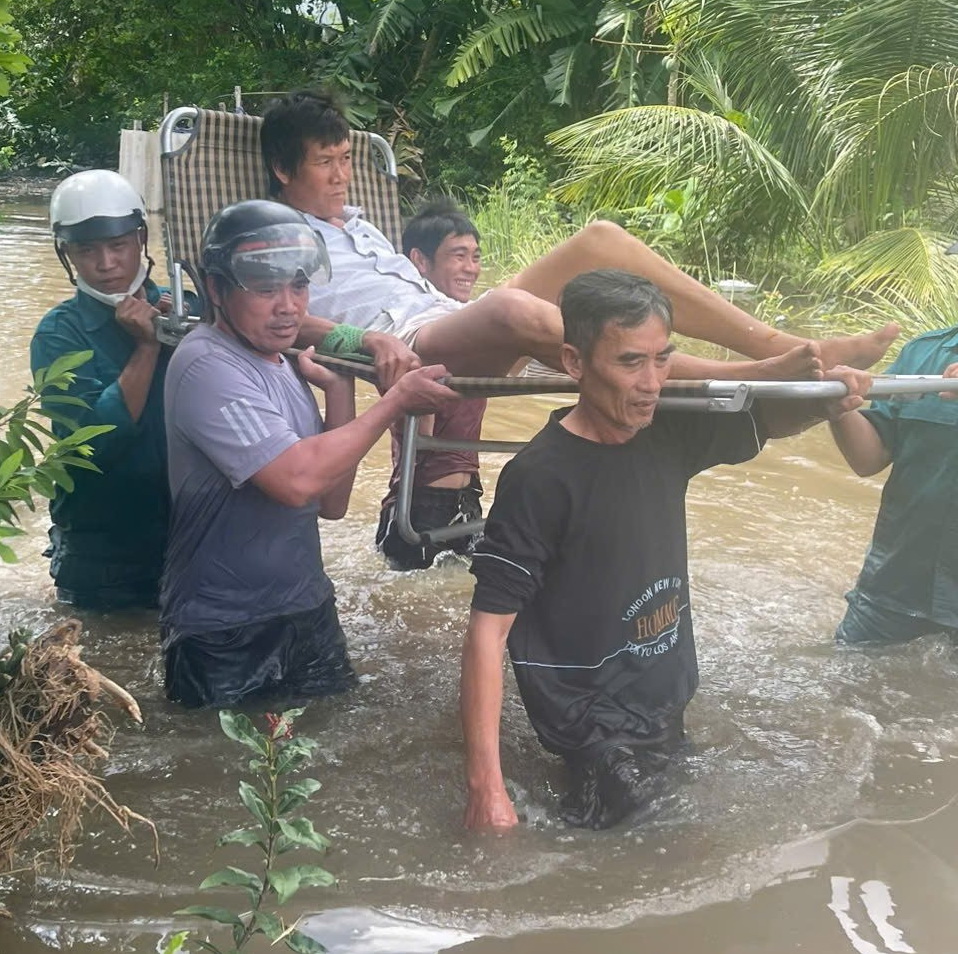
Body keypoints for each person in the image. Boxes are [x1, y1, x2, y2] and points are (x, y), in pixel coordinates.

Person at [459, 269, 871, 831]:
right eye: (630, 361)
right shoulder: (540, 478)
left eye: (662, 359)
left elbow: (770, 418)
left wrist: (830, 399)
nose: (652, 382)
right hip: (592, 721)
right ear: (575, 363)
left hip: (660, 699)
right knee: (670, 843)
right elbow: (488, 631)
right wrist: (487, 790)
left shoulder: (665, 433)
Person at [260, 89, 898, 385]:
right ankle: (756, 374)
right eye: (326, 163)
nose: (344, 175)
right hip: (412, 344)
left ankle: (791, 342)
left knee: (600, 238)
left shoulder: (359, 221)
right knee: (512, 307)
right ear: (285, 170)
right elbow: (275, 320)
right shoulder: (274, 236)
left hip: (452, 318)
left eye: (347, 158)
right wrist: (363, 338)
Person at [159, 199, 457, 708]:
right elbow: (294, 480)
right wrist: (395, 402)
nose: (289, 307)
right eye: (266, 289)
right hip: (224, 631)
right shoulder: (205, 365)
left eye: (298, 287)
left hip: (307, 610)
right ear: (215, 289)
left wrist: (338, 391)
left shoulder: (279, 360)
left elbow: (329, 502)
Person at [30, 169, 181, 610]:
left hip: (190, 542)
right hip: (102, 556)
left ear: (140, 240)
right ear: (68, 253)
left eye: (118, 246)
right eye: (87, 250)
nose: (107, 263)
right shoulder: (58, 334)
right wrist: (147, 347)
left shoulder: (184, 311)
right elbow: (96, 443)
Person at [829, 308, 958, 644]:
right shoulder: (924, 352)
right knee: (848, 689)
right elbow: (868, 459)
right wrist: (838, 405)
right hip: (892, 592)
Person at [376, 199, 486, 569]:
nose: (471, 268)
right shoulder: (412, 335)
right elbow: (412, 432)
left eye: (475, 256)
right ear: (419, 262)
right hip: (419, 505)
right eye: (458, 256)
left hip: (468, 501)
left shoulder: (471, 328)